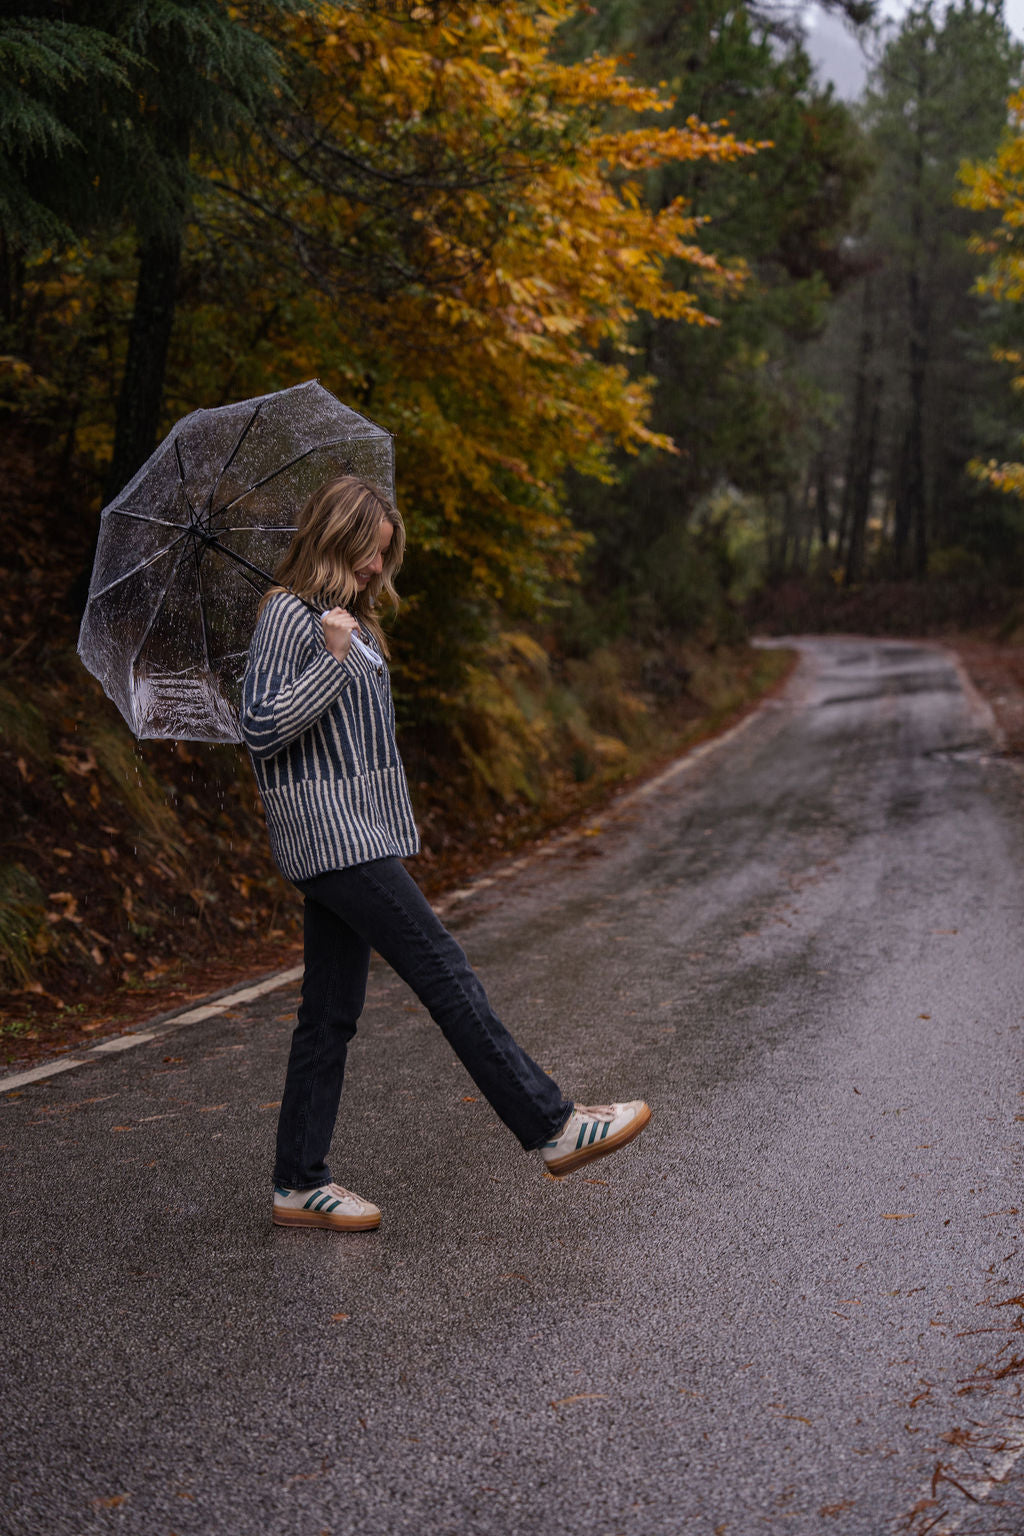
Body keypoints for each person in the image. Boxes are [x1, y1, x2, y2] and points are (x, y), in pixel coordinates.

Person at [241, 474, 650, 1232]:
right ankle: (553, 1124)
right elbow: (261, 729)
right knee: (442, 967)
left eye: (383, 555)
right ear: (337, 538)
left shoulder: (349, 623)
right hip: (331, 835)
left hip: (355, 832)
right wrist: (331, 658)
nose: (377, 568)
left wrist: (346, 645)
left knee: (329, 1013)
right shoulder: (287, 617)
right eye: (370, 552)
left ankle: (298, 1181)